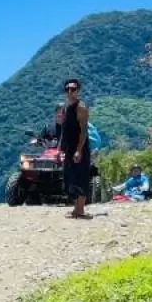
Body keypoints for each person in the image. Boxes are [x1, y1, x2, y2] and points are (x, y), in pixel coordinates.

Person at [59, 78, 92, 219]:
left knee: (80, 178)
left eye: (72, 89)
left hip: (80, 148)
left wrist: (79, 149)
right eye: (67, 89)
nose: (69, 91)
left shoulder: (81, 107)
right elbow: (64, 130)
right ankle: (76, 208)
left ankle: (80, 210)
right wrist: (60, 148)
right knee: (69, 178)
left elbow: (83, 130)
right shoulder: (66, 108)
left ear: (78, 90)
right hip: (69, 148)